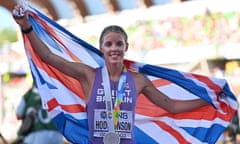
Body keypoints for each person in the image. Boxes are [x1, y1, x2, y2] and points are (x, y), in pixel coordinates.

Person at [12, 4, 209, 144]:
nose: (114, 48)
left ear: (126, 47)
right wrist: (26, 27)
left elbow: (172, 105)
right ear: (101, 48)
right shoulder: (87, 75)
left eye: (118, 44)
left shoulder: (138, 80)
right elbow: (48, 56)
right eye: (109, 44)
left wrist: (208, 100)